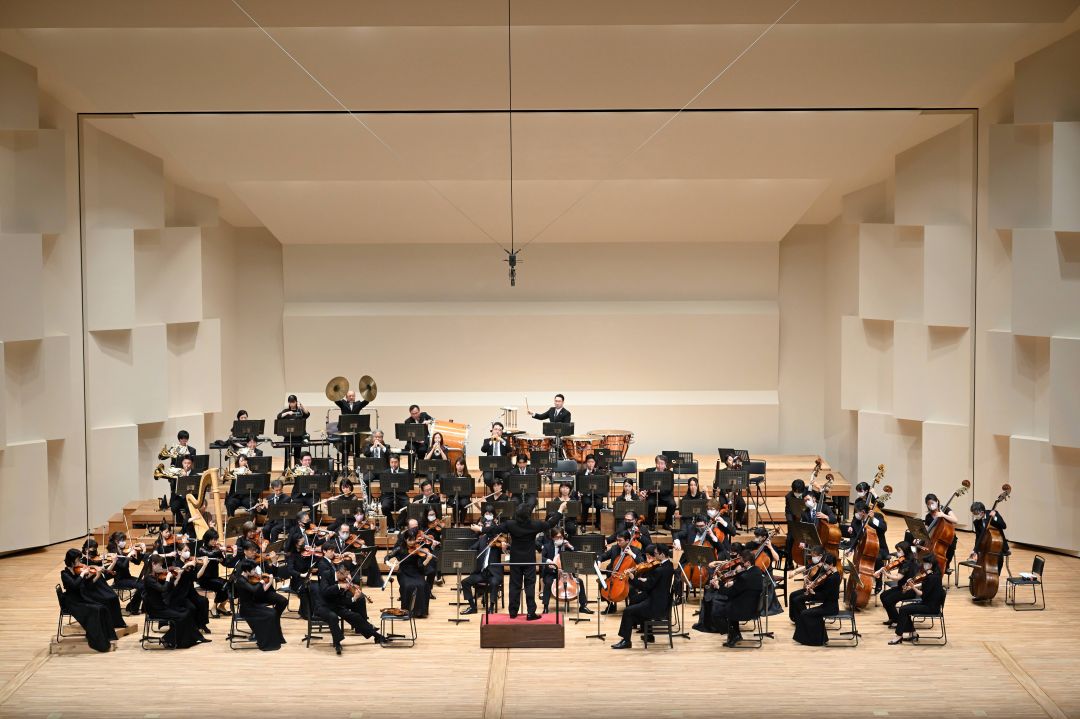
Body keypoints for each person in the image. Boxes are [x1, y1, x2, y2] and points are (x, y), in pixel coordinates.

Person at [481, 500, 568, 619]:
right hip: (529, 560)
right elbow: (550, 524)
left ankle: (513, 612)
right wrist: (560, 509)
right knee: (529, 586)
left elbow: (494, 529)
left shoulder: (510, 524)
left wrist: (480, 529)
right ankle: (531, 613)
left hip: (515, 560)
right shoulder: (534, 525)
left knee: (514, 585)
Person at [610, 543, 674, 649]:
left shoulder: (659, 570)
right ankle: (649, 636)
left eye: (656, 553)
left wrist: (632, 578)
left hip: (655, 605)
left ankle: (626, 641)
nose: (654, 555)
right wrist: (647, 580)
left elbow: (645, 587)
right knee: (637, 602)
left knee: (628, 611)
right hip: (661, 601)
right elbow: (656, 583)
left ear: (662, 554)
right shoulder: (669, 566)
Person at [142, 555, 206, 648]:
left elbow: (170, 587)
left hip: (162, 606)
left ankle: (189, 639)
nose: (162, 568)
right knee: (182, 616)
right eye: (160, 566)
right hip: (156, 609)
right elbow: (163, 589)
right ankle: (167, 639)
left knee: (187, 612)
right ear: (153, 564)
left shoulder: (155, 576)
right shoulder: (148, 578)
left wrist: (178, 576)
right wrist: (168, 578)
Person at [890, 549, 946, 644]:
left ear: (930, 565)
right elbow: (924, 585)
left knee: (904, 609)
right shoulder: (934, 574)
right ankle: (913, 633)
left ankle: (898, 636)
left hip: (931, 607)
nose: (923, 565)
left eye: (925, 564)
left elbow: (922, 594)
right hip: (929, 603)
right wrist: (911, 587)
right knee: (904, 609)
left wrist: (912, 587)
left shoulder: (932, 578)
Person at [233, 559, 287, 651]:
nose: (255, 571)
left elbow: (258, 592)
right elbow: (254, 590)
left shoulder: (246, 578)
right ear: (246, 571)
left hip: (253, 606)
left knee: (273, 613)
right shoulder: (241, 580)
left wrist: (268, 583)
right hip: (247, 609)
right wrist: (261, 582)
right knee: (271, 614)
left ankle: (274, 639)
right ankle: (266, 642)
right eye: (253, 570)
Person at [718, 549, 766, 647]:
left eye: (742, 562)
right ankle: (736, 635)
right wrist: (736, 579)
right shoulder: (756, 570)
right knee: (728, 606)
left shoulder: (745, 577)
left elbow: (731, 593)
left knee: (717, 613)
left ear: (748, 563)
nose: (740, 564)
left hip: (746, 609)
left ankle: (734, 634)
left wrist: (719, 587)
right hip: (753, 604)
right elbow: (743, 586)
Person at [539, 528, 592, 614]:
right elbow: (542, 558)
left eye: (561, 537)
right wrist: (548, 561)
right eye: (557, 537)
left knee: (580, 582)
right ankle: (545, 607)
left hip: (567, 572)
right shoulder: (547, 546)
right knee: (548, 583)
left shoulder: (566, 546)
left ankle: (583, 606)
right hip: (552, 573)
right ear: (552, 537)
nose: (559, 539)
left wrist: (571, 547)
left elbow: (578, 554)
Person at [793, 551, 841, 646]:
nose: (824, 566)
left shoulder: (833, 578)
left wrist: (813, 593)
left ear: (831, 565)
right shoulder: (832, 575)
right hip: (828, 605)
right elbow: (824, 591)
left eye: (826, 564)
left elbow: (825, 596)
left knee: (805, 614)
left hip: (830, 608)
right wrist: (813, 587)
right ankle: (816, 638)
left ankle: (813, 640)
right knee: (805, 613)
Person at [385, 528, 436, 618]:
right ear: (405, 539)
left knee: (423, 585)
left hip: (416, 572)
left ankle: (420, 611)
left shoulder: (418, 549)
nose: (412, 542)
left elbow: (421, 566)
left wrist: (427, 560)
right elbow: (387, 556)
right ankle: (406, 610)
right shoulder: (399, 548)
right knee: (408, 586)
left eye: (413, 540)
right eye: (410, 540)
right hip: (404, 572)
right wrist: (388, 563)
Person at [461, 527, 506, 615]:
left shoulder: (499, 540)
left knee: (494, 583)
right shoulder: (482, 539)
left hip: (494, 573)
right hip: (481, 573)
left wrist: (504, 548)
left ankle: (491, 607)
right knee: (465, 582)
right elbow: (471, 549)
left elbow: (508, 551)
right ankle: (472, 607)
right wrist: (475, 554)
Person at [598, 531, 645, 614]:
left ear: (627, 541)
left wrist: (632, 554)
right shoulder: (614, 548)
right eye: (617, 540)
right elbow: (603, 556)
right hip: (614, 576)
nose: (618, 542)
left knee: (631, 589)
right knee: (602, 584)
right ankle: (610, 605)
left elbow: (642, 563)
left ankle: (631, 609)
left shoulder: (636, 551)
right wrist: (599, 561)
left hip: (629, 578)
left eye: (620, 540)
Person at [881, 542, 920, 628]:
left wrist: (886, 574)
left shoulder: (906, 563)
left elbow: (898, 577)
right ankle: (892, 617)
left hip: (908, 590)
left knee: (888, 600)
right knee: (883, 595)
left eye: (899, 551)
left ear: (905, 551)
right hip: (901, 587)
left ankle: (897, 621)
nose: (897, 553)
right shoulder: (905, 560)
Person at [195, 528, 231, 617]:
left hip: (214, 577)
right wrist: (220, 550)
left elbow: (225, 563)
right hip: (204, 579)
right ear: (208, 539)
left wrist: (227, 556)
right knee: (223, 586)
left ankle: (221, 606)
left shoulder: (215, 549)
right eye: (214, 539)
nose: (215, 541)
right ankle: (214, 607)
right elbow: (210, 554)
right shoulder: (201, 549)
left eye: (216, 539)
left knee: (230, 585)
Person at [969, 500, 1009, 572]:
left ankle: (996, 574)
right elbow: (978, 537)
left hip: (998, 545)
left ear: (982, 512)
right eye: (973, 513)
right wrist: (975, 550)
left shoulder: (993, 514)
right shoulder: (976, 522)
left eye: (975, 513)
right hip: (986, 545)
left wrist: (994, 518)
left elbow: (1004, 526)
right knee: (979, 557)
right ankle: (976, 576)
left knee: (998, 557)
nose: (975, 515)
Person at [641, 454, 677, 531]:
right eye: (658, 463)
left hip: (665, 495)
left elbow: (670, 488)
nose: (659, 465)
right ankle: (650, 523)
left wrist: (658, 490)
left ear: (665, 465)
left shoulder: (669, 473)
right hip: (652, 495)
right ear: (655, 463)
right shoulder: (649, 471)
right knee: (650, 503)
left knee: (672, 504)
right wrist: (642, 491)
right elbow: (643, 485)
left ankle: (667, 523)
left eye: (662, 463)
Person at [276, 394, 311, 465]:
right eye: (290, 402)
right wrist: (287, 413)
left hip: (298, 437)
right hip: (288, 437)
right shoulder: (286, 411)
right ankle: (287, 471)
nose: (292, 403)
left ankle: (297, 470)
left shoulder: (300, 411)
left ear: (296, 402)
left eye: (293, 402)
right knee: (287, 456)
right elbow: (279, 416)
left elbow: (307, 414)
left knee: (297, 456)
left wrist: (301, 405)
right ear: (288, 402)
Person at [380, 455, 410, 532]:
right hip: (388, 494)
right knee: (384, 507)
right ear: (389, 463)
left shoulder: (405, 472)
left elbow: (407, 486)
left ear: (399, 462)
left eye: (395, 462)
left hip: (401, 494)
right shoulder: (385, 473)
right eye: (392, 462)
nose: (394, 464)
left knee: (408, 506)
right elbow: (383, 486)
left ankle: (399, 525)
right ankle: (391, 525)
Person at [783, 478, 807, 569]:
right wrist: (791, 524)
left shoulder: (808, 493)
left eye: (799, 491)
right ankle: (789, 562)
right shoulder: (789, 496)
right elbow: (788, 511)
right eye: (795, 491)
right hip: (794, 522)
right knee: (789, 540)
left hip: (807, 522)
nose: (797, 493)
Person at [575, 454, 604, 529]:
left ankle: (598, 523)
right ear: (586, 463)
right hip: (585, 494)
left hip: (597, 495)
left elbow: (602, 486)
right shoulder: (580, 473)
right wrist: (579, 492)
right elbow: (578, 485)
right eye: (588, 462)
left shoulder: (600, 473)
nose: (590, 464)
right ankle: (583, 524)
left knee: (599, 504)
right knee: (586, 502)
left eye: (592, 462)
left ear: (595, 463)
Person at [481, 422, 512, 489]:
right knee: (487, 478)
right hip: (490, 467)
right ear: (492, 430)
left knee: (508, 476)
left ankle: (502, 492)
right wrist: (491, 441)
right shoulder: (487, 440)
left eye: (499, 430)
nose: (497, 431)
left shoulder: (505, 441)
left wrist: (502, 440)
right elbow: (483, 450)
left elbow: (510, 450)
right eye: (495, 429)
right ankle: (494, 491)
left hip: (502, 467)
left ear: (501, 432)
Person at [447, 457, 474, 526]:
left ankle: (462, 522)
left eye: (461, 465)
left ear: (464, 466)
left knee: (464, 504)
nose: (459, 466)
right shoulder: (451, 476)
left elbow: (469, 490)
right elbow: (448, 490)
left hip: (464, 496)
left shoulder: (468, 476)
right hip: (453, 496)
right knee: (455, 503)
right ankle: (456, 522)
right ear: (455, 465)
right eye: (458, 464)